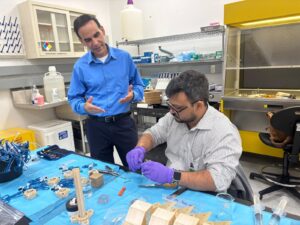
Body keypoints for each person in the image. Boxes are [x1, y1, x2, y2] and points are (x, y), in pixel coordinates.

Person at [126, 70, 242, 192]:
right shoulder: (174, 117)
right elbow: (153, 134)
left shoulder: (223, 131)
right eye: (170, 105)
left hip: (203, 193)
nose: (171, 111)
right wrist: (140, 148)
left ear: (199, 106)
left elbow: (218, 180)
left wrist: (172, 175)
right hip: (170, 188)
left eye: (177, 108)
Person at [68, 14, 144, 167]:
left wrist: (133, 95)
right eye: (88, 40)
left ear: (102, 30)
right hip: (96, 127)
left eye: (97, 35)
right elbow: (73, 98)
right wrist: (84, 107)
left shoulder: (124, 58)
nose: (95, 42)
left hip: (123, 124)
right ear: (82, 41)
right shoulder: (80, 66)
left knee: (137, 168)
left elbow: (139, 86)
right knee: (103, 172)